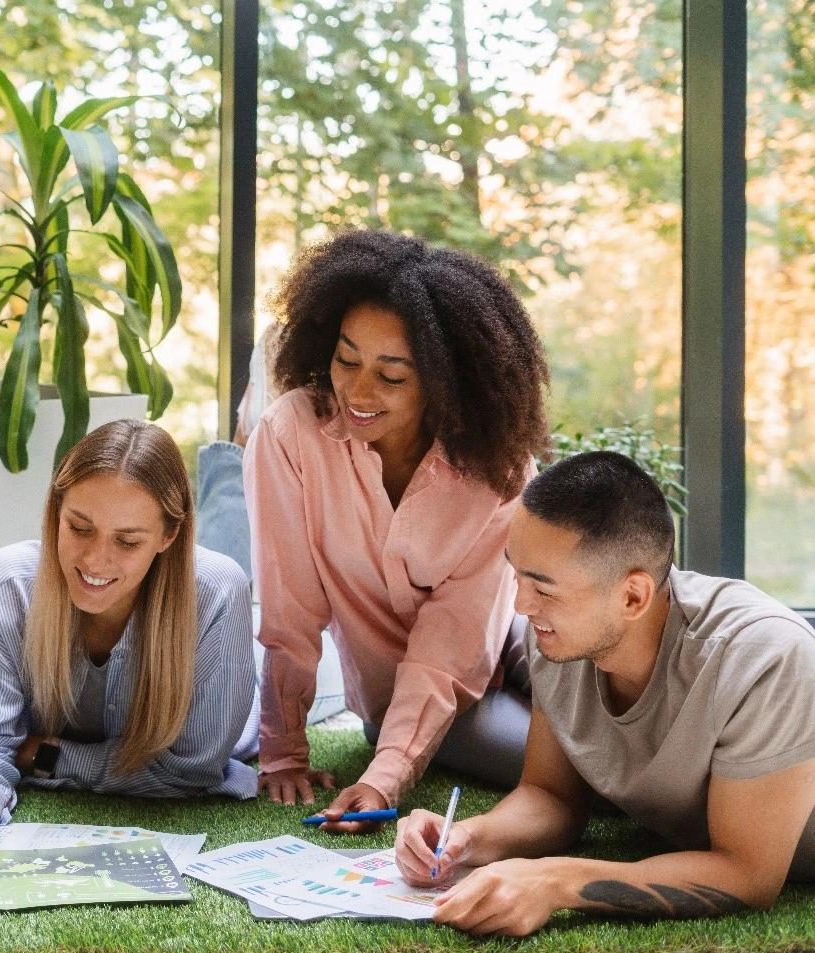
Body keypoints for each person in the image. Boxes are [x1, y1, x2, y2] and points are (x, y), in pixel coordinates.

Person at [393, 451, 815, 937]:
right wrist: (467, 838)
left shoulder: (764, 658)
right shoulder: (560, 638)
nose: (521, 605)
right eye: (518, 575)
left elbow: (748, 875)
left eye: (543, 590)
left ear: (632, 597)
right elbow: (550, 795)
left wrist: (556, 881)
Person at [245, 229, 550, 831]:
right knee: (568, 765)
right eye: (346, 359)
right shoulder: (290, 437)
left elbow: (460, 630)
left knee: (611, 708)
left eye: (392, 376)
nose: (357, 392)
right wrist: (286, 751)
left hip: (507, 632)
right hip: (434, 697)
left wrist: (381, 777)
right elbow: (290, 613)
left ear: (445, 381)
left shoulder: (498, 466)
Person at [0, 419, 257, 852]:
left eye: (127, 542)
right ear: (55, 511)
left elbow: (188, 770)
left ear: (169, 535)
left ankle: (241, 440)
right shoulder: (9, 582)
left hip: (259, 688)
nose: (95, 561)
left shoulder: (218, 593)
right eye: (79, 528)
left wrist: (43, 753)